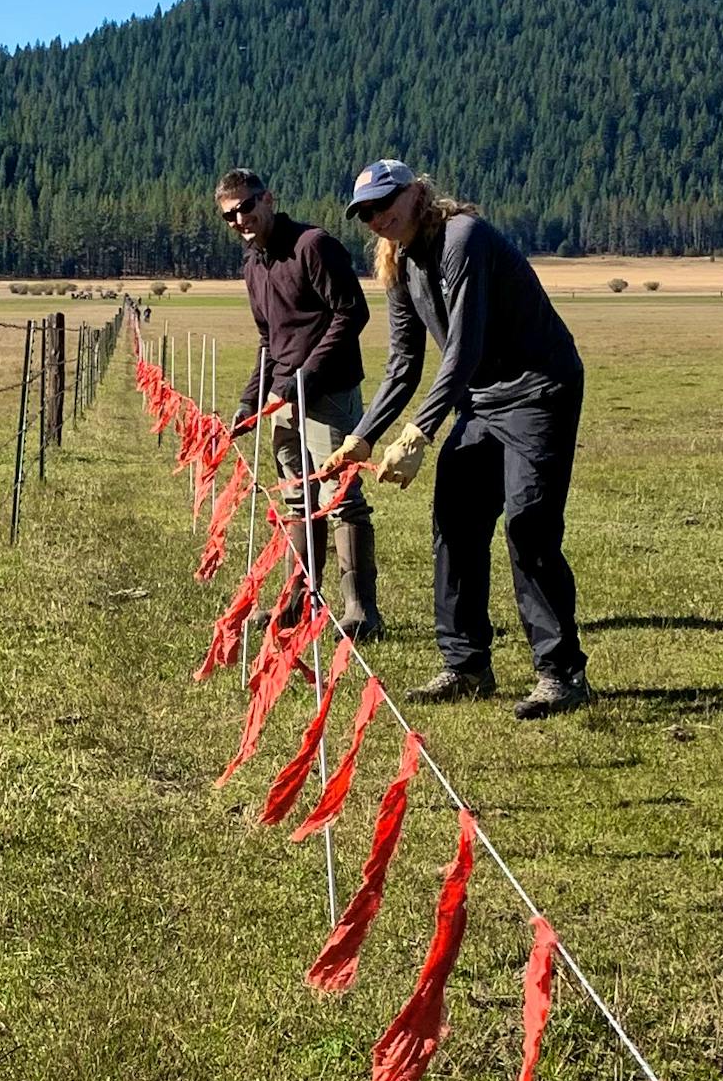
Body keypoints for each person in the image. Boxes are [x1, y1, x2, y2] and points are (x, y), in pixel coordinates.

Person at [324, 160, 591, 721]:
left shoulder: (462, 238)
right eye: (366, 212)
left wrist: (418, 432)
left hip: (539, 390)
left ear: (418, 194)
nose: (376, 218)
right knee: (455, 519)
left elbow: (462, 348)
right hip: (480, 399)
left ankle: (561, 674)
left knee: (529, 524)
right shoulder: (399, 264)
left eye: (385, 203)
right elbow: (402, 363)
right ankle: (466, 665)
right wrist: (363, 439)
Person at [215, 169, 382, 643]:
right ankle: (298, 603)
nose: (240, 219)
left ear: (268, 198)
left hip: (327, 395)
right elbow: (268, 341)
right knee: (296, 500)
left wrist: (307, 376)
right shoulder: (253, 264)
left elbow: (352, 312)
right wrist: (251, 399)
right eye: (229, 214)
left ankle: (361, 612)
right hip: (281, 398)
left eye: (246, 206)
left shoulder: (313, 245)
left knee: (341, 499)